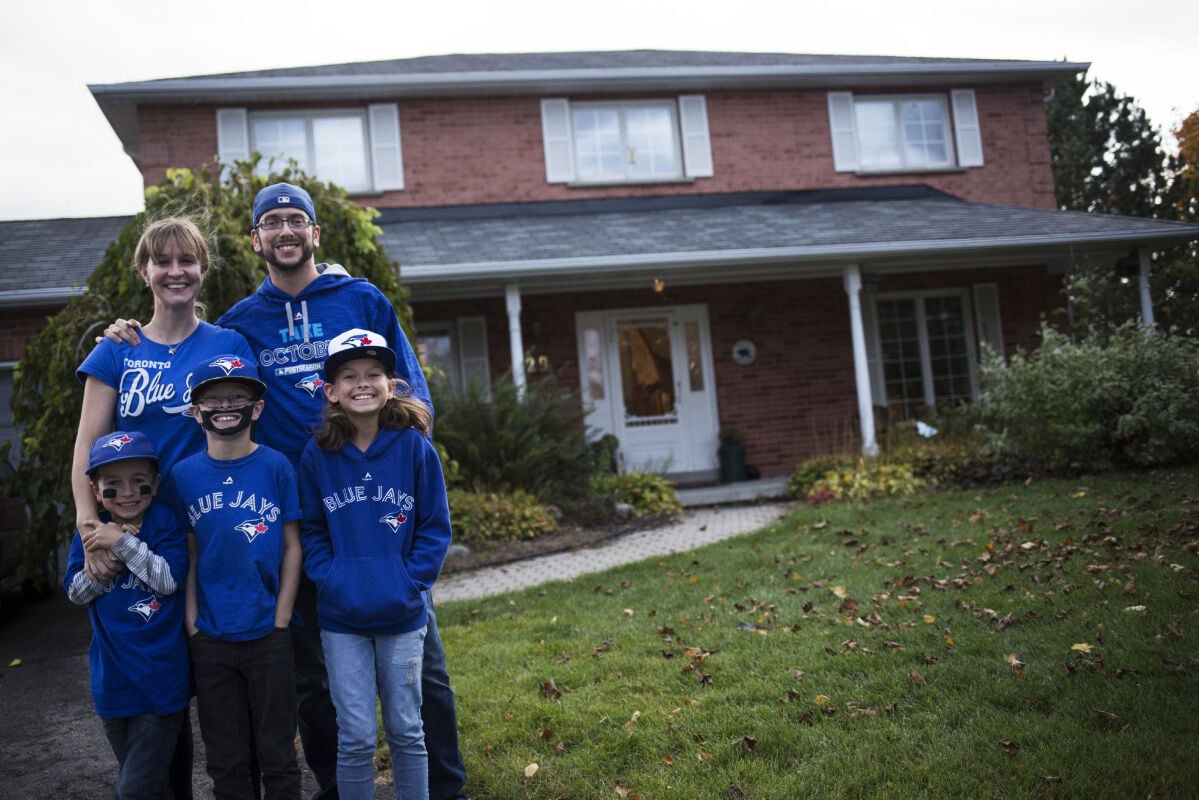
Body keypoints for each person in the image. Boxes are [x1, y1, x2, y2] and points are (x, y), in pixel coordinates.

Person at [106, 182, 468, 800]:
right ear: (256, 240)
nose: (285, 231)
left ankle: (446, 786)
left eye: (297, 220)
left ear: (316, 233)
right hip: (297, 518)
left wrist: (399, 464)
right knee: (310, 675)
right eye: (271, 222)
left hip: (378, 515)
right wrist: (127, 335)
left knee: (424, 667)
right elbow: (201, 374)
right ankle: (336, 784)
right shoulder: (242, 325)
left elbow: (410, 390)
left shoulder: (362, 298)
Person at [76, 215, 254, 799]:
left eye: (188, 260)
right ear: (145, 270)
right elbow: (86, 448)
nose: (176, 271)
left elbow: (249, 433)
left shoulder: (227, 345)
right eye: (163, 261)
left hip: (213, 529)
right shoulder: (117, 349)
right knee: (154, 668)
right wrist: (91, 526)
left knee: (222, 672)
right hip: (141, 532)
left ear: (203, 268)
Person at [299, 328, 452, 800]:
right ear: (331, 391)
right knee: (357, 736)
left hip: (402, 614)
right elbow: (310, 531)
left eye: (374, 374)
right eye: (349, 376)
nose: (362, 383)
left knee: (407, 730)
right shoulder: (317, 455)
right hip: (342, 619)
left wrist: (411, 582)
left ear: (391, 385)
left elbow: (434, 527)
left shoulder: (413, 448)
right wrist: (333, 580)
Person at [164, 355, 303, 799]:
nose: (226, 406)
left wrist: (282, 617)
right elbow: (187, 553)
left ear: (257, 408)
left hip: (268, 634)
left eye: (238, 397)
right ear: (195, 411)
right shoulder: (182, 476)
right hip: (212, 638)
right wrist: (192, 624)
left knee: (278, 752)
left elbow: (293, 546)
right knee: (225, 758)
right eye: (213, 398)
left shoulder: (277, 466)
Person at [65, 430, 190, 800]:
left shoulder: (164, 523)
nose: (128, 493)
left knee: (134, 789)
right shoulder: (90, 533)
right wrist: (108, 557)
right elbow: (76, 593)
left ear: (156, 483)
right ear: (95, 489)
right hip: (112, 682)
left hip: (161, 683)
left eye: (140, 484)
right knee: (153, 783)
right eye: (113, 486)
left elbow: (167, 581)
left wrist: (122, 543)